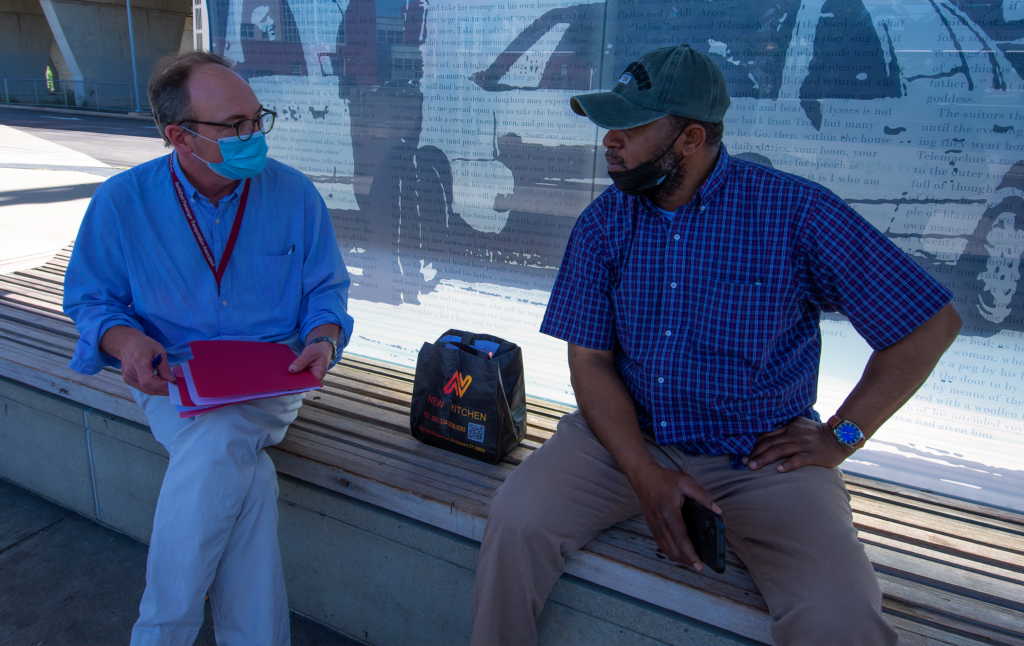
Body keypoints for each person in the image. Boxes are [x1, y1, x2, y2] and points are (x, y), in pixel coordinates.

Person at [470, 45, 962, 646]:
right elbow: (590, 363)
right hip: (627, 434)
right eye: (608, 125)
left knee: (840, 616)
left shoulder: (792, 212)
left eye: (630, 125)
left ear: (690, 137)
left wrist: (842, 436)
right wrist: (643, 472)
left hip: (758, 457)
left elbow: (929, 325)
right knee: (516, 521)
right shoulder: (605, 221)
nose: (610, 140)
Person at [63, 51, 353, 646]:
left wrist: (324, 340)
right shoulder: (122, 202)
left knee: (222, 441)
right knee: (249, 479)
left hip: (274, 377)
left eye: (258, 119)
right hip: (173, 378)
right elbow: (91, 300)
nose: (254, 136)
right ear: (180, 136)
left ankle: (159, 633)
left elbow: (327, 293)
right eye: (235, 126)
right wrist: (128, 342)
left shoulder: (294, 195)